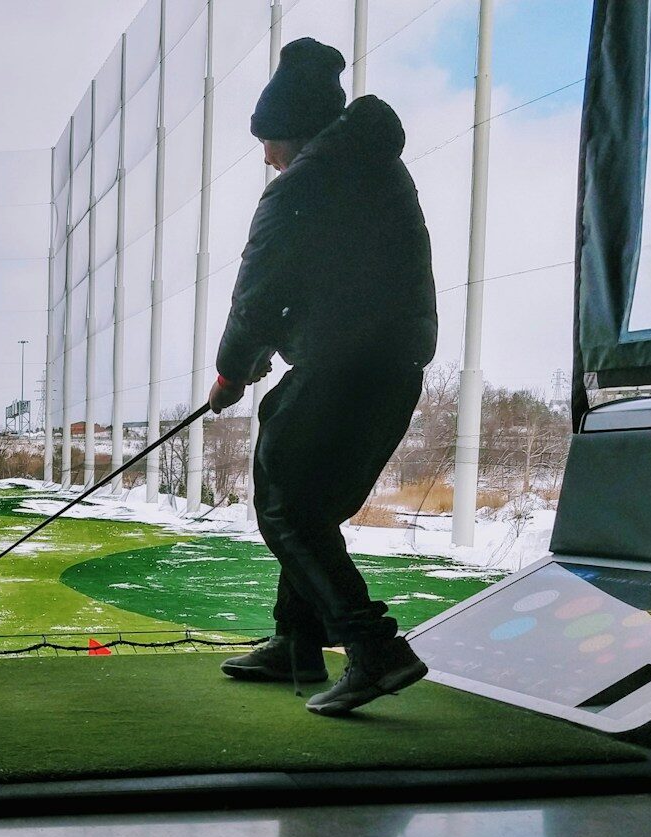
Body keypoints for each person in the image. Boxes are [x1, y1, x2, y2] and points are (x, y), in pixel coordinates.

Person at [209, 38, 438, 716]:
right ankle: (297, 643)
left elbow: (259, 294)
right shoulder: (378, 171)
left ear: (293, 131)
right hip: (390, 371)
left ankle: (375, 650)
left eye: (268, 140)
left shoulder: (302, 186)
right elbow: (323, 281)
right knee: (307, 505)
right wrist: (264, 356)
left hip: (341, 370)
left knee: (288, 508)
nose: (265, 155)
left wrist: (231, 372)